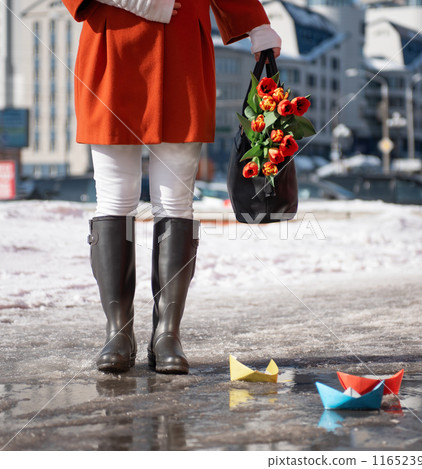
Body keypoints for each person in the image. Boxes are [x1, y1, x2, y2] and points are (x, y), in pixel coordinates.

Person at [62, 0, 281, 374]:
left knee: (176, 203)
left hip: (180, 50)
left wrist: (254, 21)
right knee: (114, 200)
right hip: (114, 44)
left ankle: (167, 334)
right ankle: (119, 332)